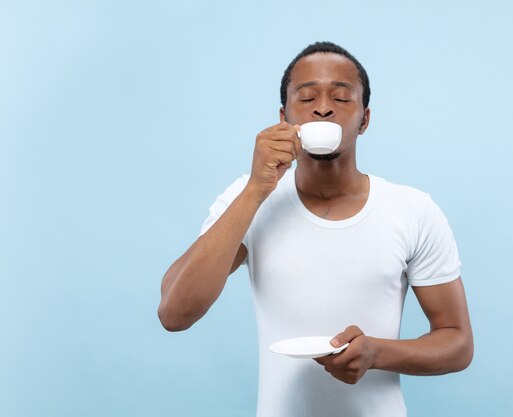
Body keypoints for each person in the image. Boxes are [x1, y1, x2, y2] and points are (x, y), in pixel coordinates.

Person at [158, 41, 473, 417]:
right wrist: (257, 189)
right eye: (306, 98)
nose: (323, 108)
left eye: (341, 98)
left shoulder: (413, 210)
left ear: (365, 119)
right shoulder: (248, 199)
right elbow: (174, 313)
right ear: (284, 117)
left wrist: (376, 352)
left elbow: (457, 342)